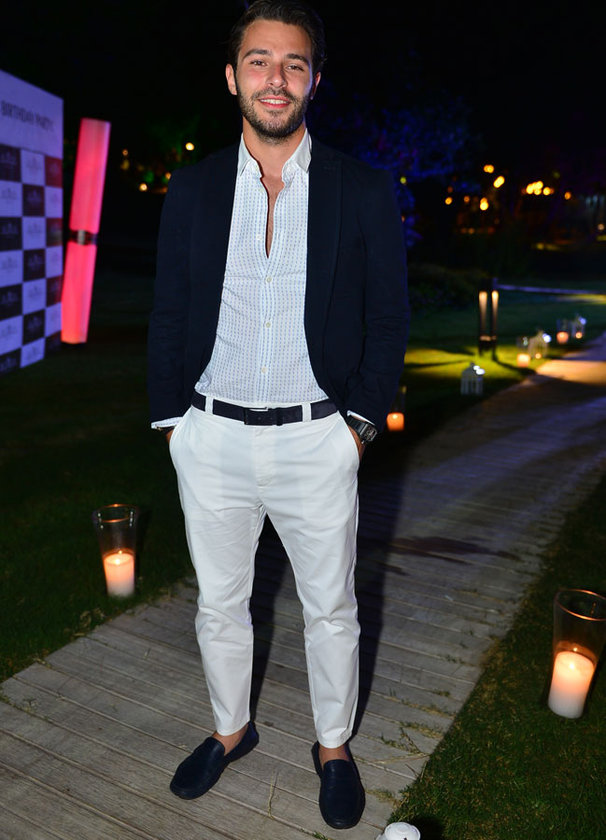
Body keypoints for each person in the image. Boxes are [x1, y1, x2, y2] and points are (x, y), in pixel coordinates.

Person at [147, 0, 408, 829]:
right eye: (259, 61)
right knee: (218, 604)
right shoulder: (193, 189)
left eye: (294, 63)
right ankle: (231, 729)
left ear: (314, 80)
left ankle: (333, 746)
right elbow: (168, 312)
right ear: (232, 77)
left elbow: (388, 318)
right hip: (211, 435)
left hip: (316, 436)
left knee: (331, 609)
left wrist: (357, 428)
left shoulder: (361, 190)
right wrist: (173, 426)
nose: (276, 78)